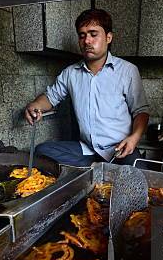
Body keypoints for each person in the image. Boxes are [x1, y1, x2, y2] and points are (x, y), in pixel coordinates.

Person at [24, 9, 149, 167]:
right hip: (87, 151)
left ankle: (92, 171)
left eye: (93, 34)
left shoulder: (127, 70)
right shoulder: (70, 73)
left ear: (108, 37)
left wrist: (134, 138)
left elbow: (141, 112)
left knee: (140, 178)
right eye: (82, 35)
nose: (87, 41)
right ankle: (95, 169)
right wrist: (35, 105)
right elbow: (50, 98)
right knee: (42, 151)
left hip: (119, 150)